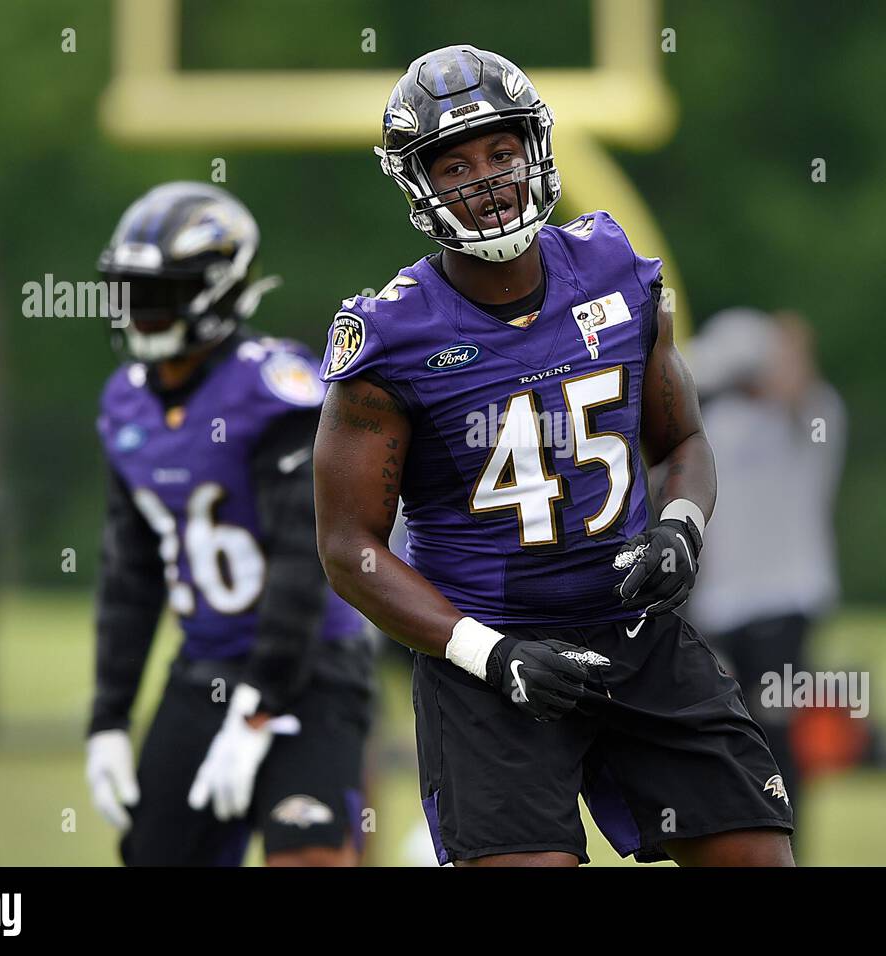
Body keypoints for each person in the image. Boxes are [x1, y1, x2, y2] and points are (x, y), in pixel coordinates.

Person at [313, 47, 794, 866]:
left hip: (636, 632)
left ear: (535, 149)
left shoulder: (614, 270)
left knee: (756, 856)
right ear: (417, 184)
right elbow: (348, 547)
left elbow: (680, 440)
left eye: (501, 152)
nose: (488, 178)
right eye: (456, 163)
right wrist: (487, 653)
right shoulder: (392, 336)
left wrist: (680, 527)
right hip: (485, 663)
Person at [86, 182, 373, 866]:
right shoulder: (125, 403)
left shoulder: (273, 390)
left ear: (213, 294)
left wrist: (258, 706)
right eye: (129, 293)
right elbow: (131, 577)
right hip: (204, 668)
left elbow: (305, 563)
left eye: (154, 296)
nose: (138, 314)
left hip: (310, 668)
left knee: (309, 856)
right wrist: (108, 718)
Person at [686, 308, 846, 837]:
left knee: (776, 733)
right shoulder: (716, 425)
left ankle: (787, 843)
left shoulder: (812, 415)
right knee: (727, 733)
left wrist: (788, 350)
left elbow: (798, 390)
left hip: (784, 602)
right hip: (720, 605)